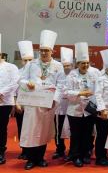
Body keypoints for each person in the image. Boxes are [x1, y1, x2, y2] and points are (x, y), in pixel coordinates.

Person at [19, 30, 63, 170]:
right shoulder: (31, 64)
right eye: (42, 50)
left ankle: (40, 158)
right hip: (33, 104)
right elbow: (21, 79)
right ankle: (31, 159)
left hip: (47, 105)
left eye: (46, 50)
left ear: (52, 51)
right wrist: (27, 84)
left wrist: (54, 101)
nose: (44, 53)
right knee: (32, 131)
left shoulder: (58, 66)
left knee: (43, 132)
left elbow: (61, 85)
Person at [65, 42, 101, 167]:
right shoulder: (71, 74)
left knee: (88, 133)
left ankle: (86, 154)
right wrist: (80, 93)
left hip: (90, 109)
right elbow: (66, 92)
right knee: (76, 134)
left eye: (87, 63)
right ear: (77, 64)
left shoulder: (95, 72)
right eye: (82, 63)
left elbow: (99, 89)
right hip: (75, 110)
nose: (85, 65)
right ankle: (76, 156)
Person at [0, 34, 19, 165]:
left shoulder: (11, 67)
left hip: (4, 102)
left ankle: (0, 152)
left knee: (1, 128)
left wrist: (1, 92)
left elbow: (15, 82)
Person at [52, 47, 74, 160]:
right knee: (59, 130)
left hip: (72, 107)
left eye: (68, 65)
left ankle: (72, 151)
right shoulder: (57, 74)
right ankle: (60, 150)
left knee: (72, 130)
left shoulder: (75, 74)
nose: (66, 67)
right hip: (60, 107)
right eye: (64, 65)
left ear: (72, 65)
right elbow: (54, 88)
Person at [14, 40, 34, 160]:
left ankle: (32, 151)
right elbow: (14, 89)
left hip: (33, 105)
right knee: (21, 127)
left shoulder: (37, 73)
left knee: (32, 128)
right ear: (22, 61)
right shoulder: (17, 72)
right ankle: (24, 150)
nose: (27, 63)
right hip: (20, 105)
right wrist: (17, 103)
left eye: (30, 60)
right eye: (25, 60)